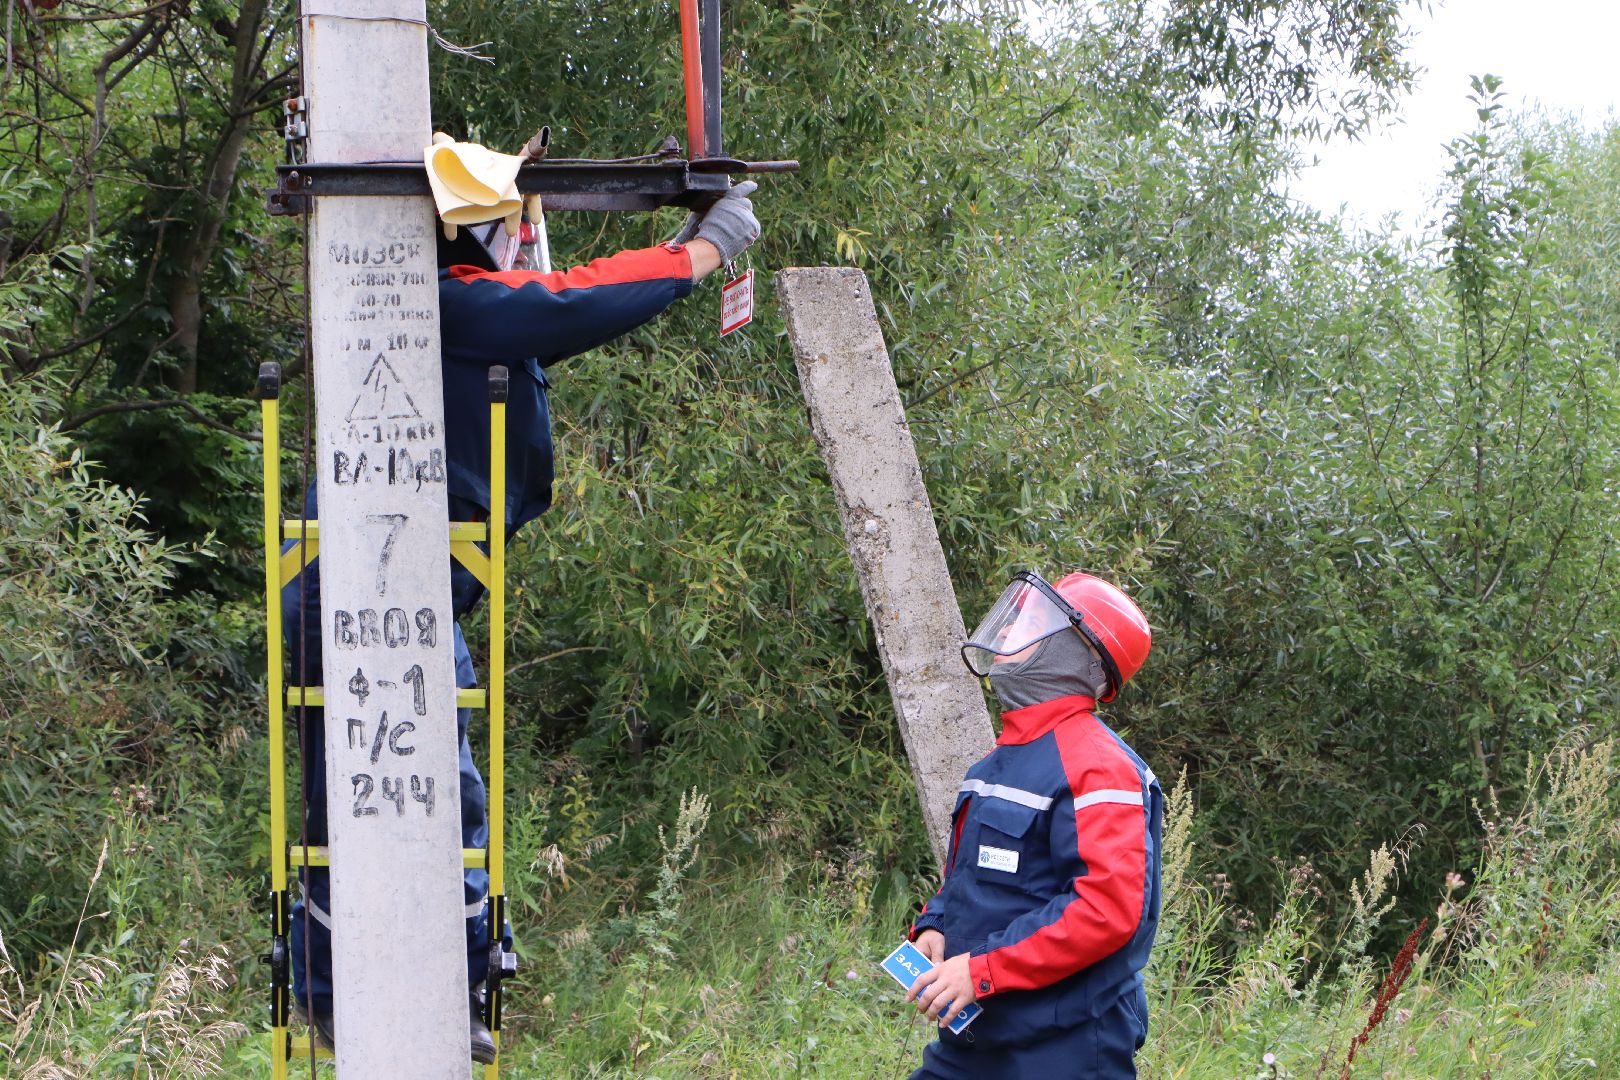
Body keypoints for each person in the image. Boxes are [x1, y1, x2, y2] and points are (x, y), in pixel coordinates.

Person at [283, 183, 761, 1063]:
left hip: (401, 578)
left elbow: (558, 301)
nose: (524, 241)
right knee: (381, 793)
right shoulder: (440, 300)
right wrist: (696, 255)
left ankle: (424, 987)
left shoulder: (458, 310)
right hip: (371, 580)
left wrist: (675, 245)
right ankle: (386, 995)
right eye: (514, 223)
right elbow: (566, 300)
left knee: (402, 792)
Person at [904, 571, 1161, 1079]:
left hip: (1063, 1048)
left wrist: (981, 970)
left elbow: (1106, 910)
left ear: (1075, 650)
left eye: (1031, 622)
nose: (1007, 630)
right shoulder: (995, 763)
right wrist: (936, 925)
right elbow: (978, 880)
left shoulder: (1098, 768)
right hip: (976, 1036)